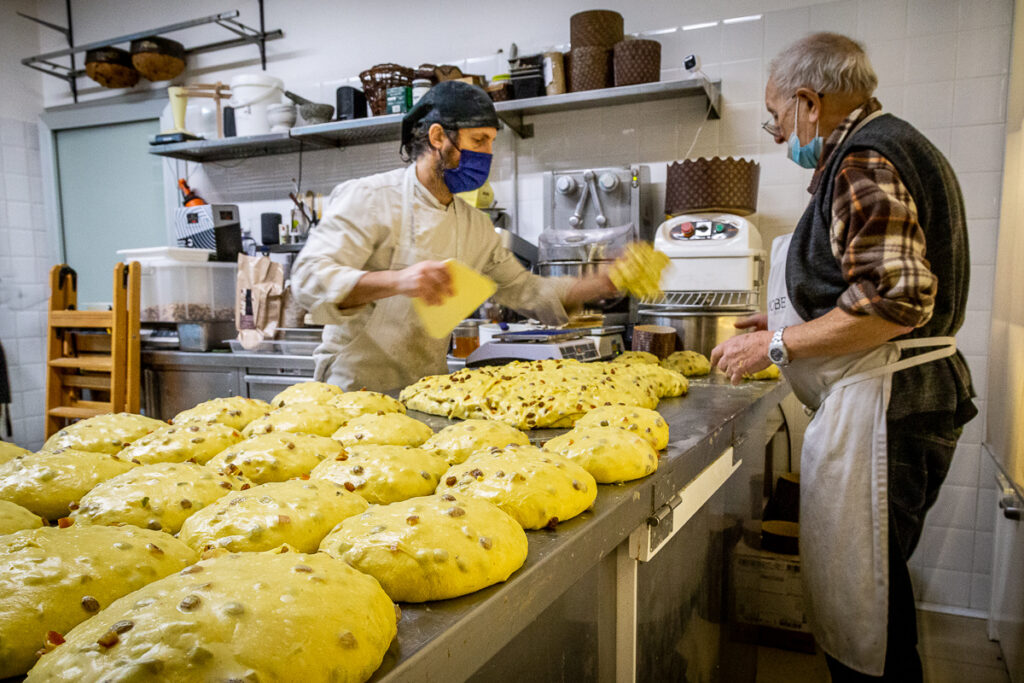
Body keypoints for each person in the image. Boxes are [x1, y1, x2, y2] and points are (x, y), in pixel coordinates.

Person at [710, 33, 976, 681]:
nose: (778, 136)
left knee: (866, 615)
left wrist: (777, 343)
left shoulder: (861, 160)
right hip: (893, 397)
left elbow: (897, 299)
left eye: (777, 118)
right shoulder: (888, 146)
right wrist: (787, 317)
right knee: (875, 595)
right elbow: (865, 282)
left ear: (808, 101)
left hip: (886, 404)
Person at [292, 80, 618, 392]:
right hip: (353, 389)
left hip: (426, 392)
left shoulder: (475, 225)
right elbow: (309, 279)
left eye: (491, 142)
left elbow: (527, 290)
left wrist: (600, 283)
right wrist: (399, 281)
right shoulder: (370, 197)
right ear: (437, 137)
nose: (488, 154)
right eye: (479, 141)